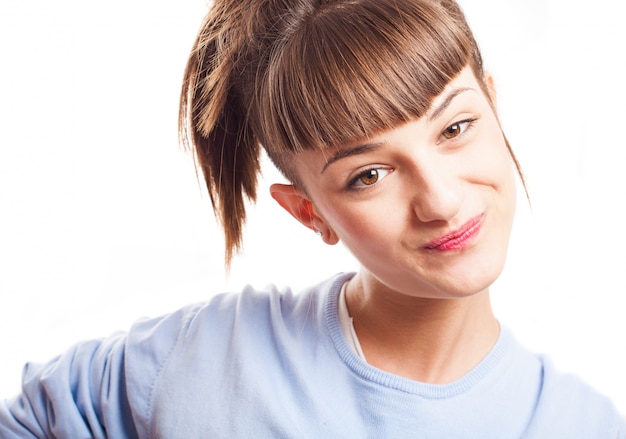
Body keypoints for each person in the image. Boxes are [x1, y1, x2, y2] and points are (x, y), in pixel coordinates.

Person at [1, 0, 624, 437]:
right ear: (309, 214)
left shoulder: (584, 427)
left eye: (455, 128)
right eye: (368, 176)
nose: (440, 200)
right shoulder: (203, 362)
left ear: (493, 102)